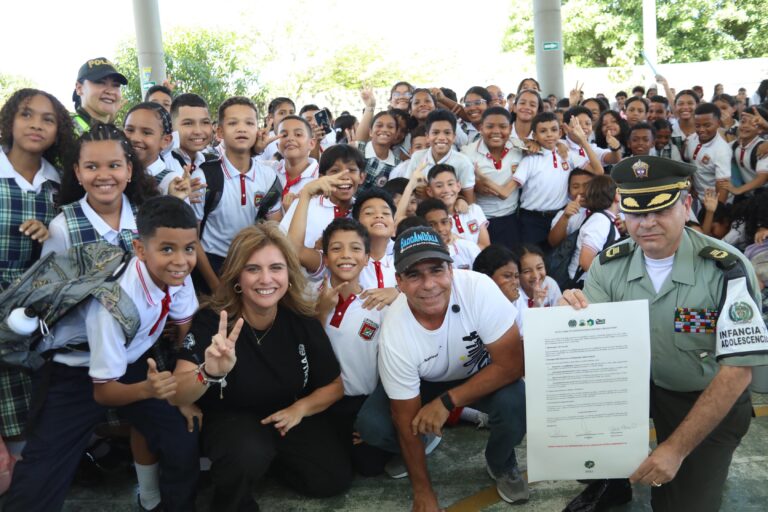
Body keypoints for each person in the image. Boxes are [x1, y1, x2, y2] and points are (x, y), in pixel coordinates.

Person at [560, 155, 768, 512]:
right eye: (637, 213)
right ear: (623, 213)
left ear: (686, 205)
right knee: (592, 431)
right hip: (633, 391)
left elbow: (737, 372)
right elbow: (592, 348)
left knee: (683, 505)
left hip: (701, 397)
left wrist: (675, 449)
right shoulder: (610, 265)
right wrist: (570, 320)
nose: (648, 223)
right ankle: (612, 481)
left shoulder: (727, 268)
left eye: (661, 210)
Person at [6, 196, 201, 512]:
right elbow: (104, 392)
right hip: (76, 373)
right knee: (44, 468)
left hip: (133, 362)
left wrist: (183, 391)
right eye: (167, 249)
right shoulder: (113, 307)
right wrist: (149, 391)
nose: (180, 260)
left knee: (180, 433)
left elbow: (183, 323)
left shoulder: (176, 274)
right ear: (140, 249)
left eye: (189, 249)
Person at [171, 222, 351, 512]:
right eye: (253, 268)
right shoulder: (213, 320)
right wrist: (209, 372)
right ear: (237, 277)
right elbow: (178, 392)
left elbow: (334, 386)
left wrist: (299, 410)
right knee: (247, 453)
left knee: (332, 478)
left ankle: (262, 464)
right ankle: (232, 489)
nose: (266, 279)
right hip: (231, 419)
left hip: (284, 416)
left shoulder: (301, 320)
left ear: (289, 275)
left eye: (276, 268)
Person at [356, 226, 528, 509]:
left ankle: (500, 461)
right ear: (398, 280)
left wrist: (447, 402)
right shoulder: (395, 333)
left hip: (479, 371)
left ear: (451, 269)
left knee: (516, 402)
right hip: (426, 380)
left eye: (436, 270)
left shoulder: (478, 288)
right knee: (373, 426)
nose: (429, 284)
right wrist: (423, 491)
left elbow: (511, 365)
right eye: (414, 274)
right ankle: (423, 441)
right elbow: (402, 417)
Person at [0, 88, 74, 466]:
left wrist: (48, 231)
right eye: (27, 114)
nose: (36, 125)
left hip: (31, 307)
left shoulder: (58, 184)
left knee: (23, 402)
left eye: (48, 119)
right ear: (10, 120)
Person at [462, 107, 523, 249]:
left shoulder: (520, 148)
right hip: (482, 221)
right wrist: (475, 185)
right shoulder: (467, 153)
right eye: (490, 126)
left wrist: (559, 145)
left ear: (511, 128)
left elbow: (547, 146)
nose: (496, 131)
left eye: (503, 126)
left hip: (512, 219)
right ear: (481, 128)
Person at [71, 58, 128, 135]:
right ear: (79, 88)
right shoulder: (64, 130)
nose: (110, 91)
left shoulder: (123, 136)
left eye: (116, 85)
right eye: (100, 82)